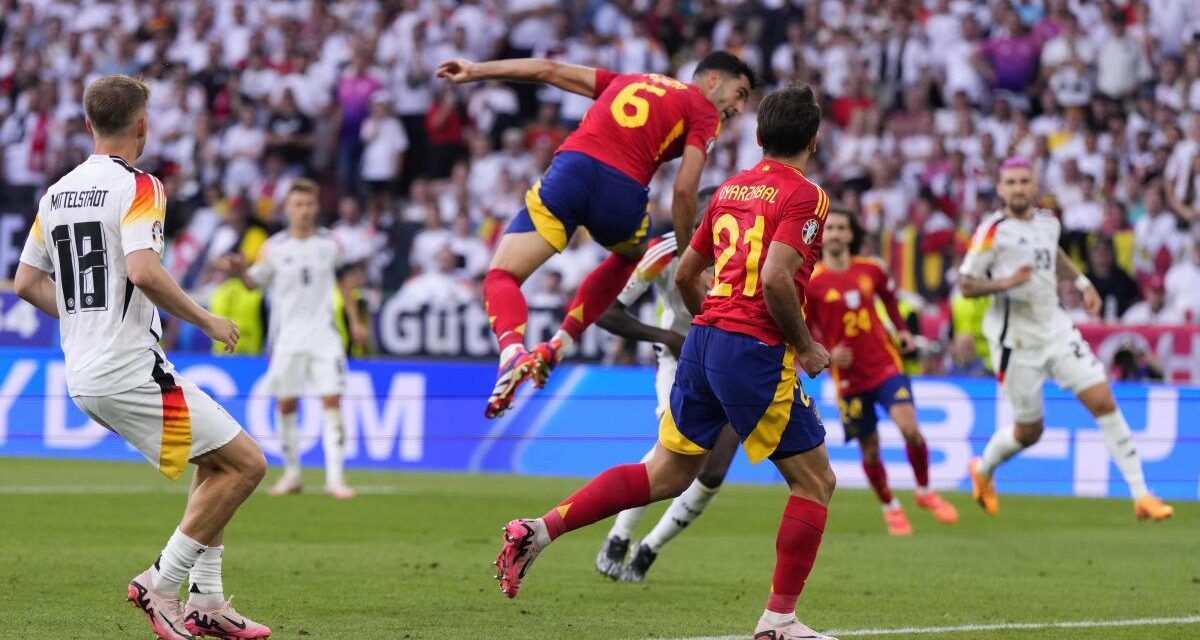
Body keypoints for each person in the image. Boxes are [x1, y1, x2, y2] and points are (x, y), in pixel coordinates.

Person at [492, 85, 842, 640]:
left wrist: (716, 330)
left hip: (703, 341)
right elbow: (776, 276)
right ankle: (778, 621)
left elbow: (684, 274)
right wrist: (803, 346)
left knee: (666, 473)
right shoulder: (808, 197)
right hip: (752, 349)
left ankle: (538, 530)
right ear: (814, 139)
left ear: (757, 136)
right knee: (815, 482)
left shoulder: (729, 188)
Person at [14, 74, 270, 640]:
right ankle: (160, 581)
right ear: (142, 125)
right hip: (129, 365)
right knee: (250, 464)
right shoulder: (141, 186)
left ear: (88, 124)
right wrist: (206, 318)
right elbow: (144, 270)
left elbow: (26, 282)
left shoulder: (55, 193)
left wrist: (84, 315)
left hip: (84, 371)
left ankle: (207, 601)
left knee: (216, 461)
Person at [436, 51, 755, 419]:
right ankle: (559, 344)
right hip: (621, 189)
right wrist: (689, 256)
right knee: (630, 254)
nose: (740, 106)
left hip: (570, 171)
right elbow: (685, 190)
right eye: (740, 92)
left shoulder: (628, 80)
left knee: (502, 275)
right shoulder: (704, 112)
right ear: (713, 79)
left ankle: (511, 351)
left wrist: (476, 69)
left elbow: (547, 69)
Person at [958, 157, 1173, 522]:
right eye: (1011, 182)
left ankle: (1141, 494)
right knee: (1029, 432)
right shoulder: (991, 231)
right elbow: (966, 285)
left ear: (1035, 183)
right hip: (1016, 343)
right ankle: (983, 470)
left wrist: (1083, 283)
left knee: (1103, 400)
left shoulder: (1048, 222)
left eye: (1024, 181)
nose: (1018, 188)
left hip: (1056, 329)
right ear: (1001, 189)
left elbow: (1052, 255)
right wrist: (1006, 283)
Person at [592, 186, 743, 583]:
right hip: (681, 365)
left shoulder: (748, 252)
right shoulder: (664, 251)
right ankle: (619, 535)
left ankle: (650, 547)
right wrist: (668, 337)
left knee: (713, 471)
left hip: (733, 367)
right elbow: (606, 312)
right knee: (673, 457)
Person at [805, 209, 959, 536]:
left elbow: (890, 302)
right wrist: (829, 356)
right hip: (848, 380)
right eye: (829, 228)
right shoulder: (813, 284)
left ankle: (923, 490)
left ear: (850, 235)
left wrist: (902, 331)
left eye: (841, 228)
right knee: (870, 449)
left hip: (885, 365)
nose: (834, 233)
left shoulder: (871, 270)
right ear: (822, 235)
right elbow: (806, 333)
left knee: (911, 429)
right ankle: (890, 506)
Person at [227, 179, 369, 500]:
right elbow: (253, 284)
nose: (303, 211)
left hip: (324, 335)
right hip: (287, 337)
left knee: (332, 401)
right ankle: (292, 473)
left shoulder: (331, 244)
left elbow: (345, 284)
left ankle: (335, 477)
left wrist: (356, 322)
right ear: (287, 208)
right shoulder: (273, 248)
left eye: (308, 205)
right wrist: (239, 272)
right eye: (297, 205)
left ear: (316, 207)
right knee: (286, 404)